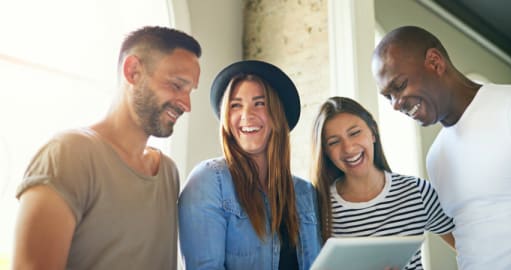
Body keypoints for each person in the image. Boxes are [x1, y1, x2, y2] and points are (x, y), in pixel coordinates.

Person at [12, 26, 201, 270]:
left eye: (190, 91)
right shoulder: (68, 154)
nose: (186, 104)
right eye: (177, 85)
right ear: (133, 72)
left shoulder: (168, 173)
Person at [371, 25, 511, 269]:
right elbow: (471, 241)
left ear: (435, 62)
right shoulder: (436, 158)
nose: (395, 105)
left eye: (399, 86)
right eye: (388, 97)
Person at [178, 60, 321, 270]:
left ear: (277, 114)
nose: (247, 115)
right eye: (236, 105)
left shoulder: (305, 192)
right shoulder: (209, 181)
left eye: (259, 103)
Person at [311, 96, 454, 270]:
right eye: (334, 142)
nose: (348, 148)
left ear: (373, 133)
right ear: (325, 152)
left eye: (355, 133)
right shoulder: (318, 208)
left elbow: (466, 247)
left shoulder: (416, 192)